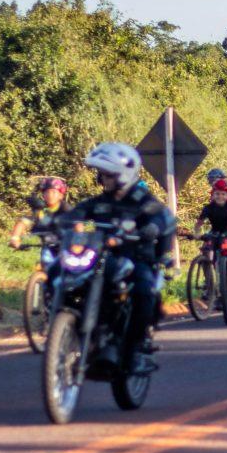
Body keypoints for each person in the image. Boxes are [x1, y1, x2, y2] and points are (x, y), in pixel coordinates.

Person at [57, 143, 176, 375]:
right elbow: (75, 214)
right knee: (64, 275)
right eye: (102, 174)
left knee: (143, 291)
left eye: (108, 174)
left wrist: (151, 228)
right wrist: (57, 223)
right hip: (102, 257)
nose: (103, 178)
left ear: (123, 174)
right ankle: (70, 328)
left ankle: (135, 353)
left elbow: (162, 217)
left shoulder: (142, 199)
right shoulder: (100, 201)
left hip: (137, 257)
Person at [195, 178, 227, 289]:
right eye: (217, 194)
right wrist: (197, 233)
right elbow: (199, 223)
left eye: (222, 194)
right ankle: (210, 283)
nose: (220, 196)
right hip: (216, 232)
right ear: (213, 194)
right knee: (206, 251)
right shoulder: (209, 207)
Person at [9, 176, 71, 249]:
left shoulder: (65, 208)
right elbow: (22, 223)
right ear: (43, 195)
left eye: (54, 192)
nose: (50, 195)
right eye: (47, 192)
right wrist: (15, 238)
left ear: (61, 195)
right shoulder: (40, 210)